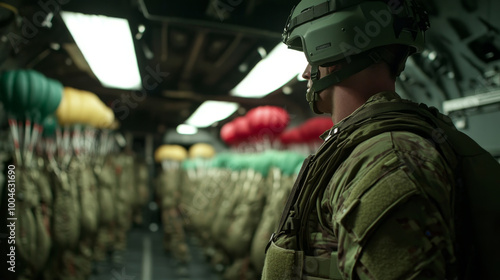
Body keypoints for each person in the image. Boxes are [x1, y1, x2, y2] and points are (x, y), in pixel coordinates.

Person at [261, 0, 464, 279]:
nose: (306, 73)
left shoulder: (386, 160)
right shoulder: (363, 150)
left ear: (330, 49)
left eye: (309, 57)